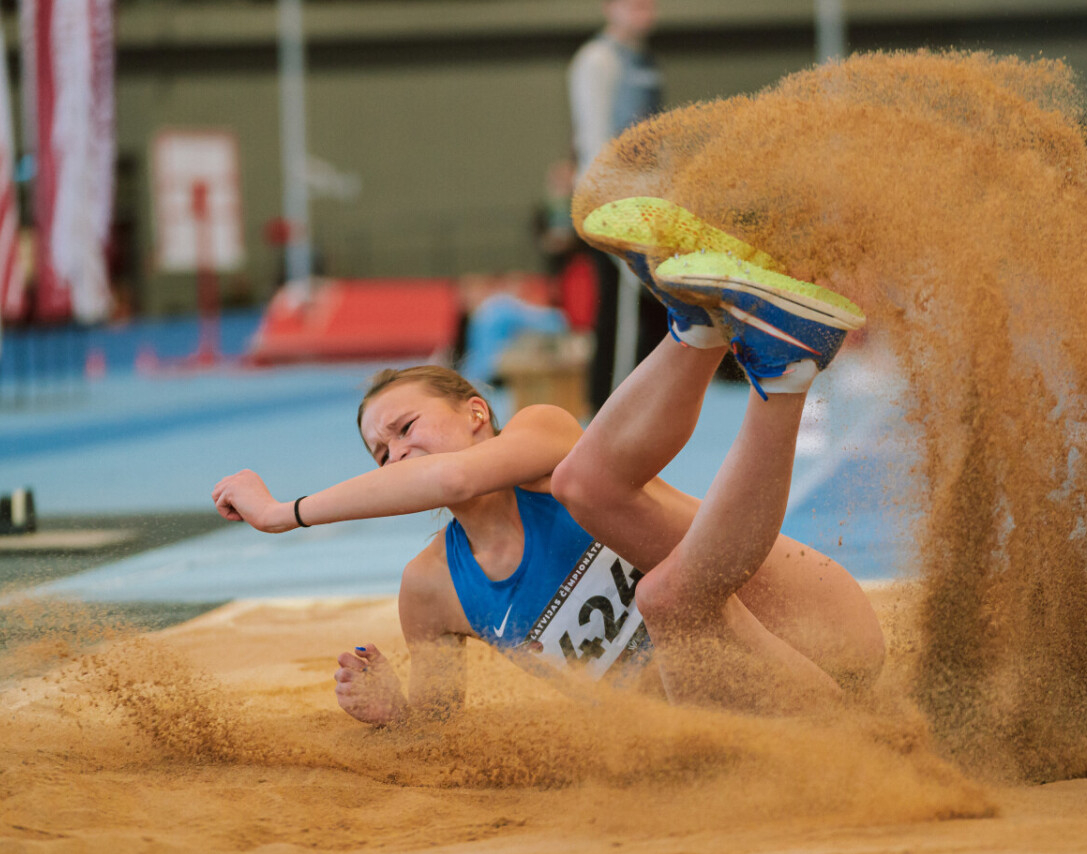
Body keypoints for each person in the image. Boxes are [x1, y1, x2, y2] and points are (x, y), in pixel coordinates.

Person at [212, 198, 885, 720]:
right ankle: (722, 336)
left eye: (407, 427)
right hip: (743, 707)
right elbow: (437, 726)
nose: (398, 454)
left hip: (809, 624)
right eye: (382, 451)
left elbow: (453, 474)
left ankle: (710, 335)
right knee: (665, 597)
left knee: (593, 494)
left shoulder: (539, 435)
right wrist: (395, 712)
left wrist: (283, 513)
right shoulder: (432, 588)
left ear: (477, 412)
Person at [569, 0, 668, 412]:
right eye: (634, 4)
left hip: (645, 201)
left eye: (650, 5)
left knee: (646, 307)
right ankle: (606, 412)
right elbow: (594, 138)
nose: (644, 14)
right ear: (610, 7)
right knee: (621, 310)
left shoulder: (643, 61)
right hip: (609, 202)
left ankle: (640, 406)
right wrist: (606, 206)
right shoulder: (598, 60)